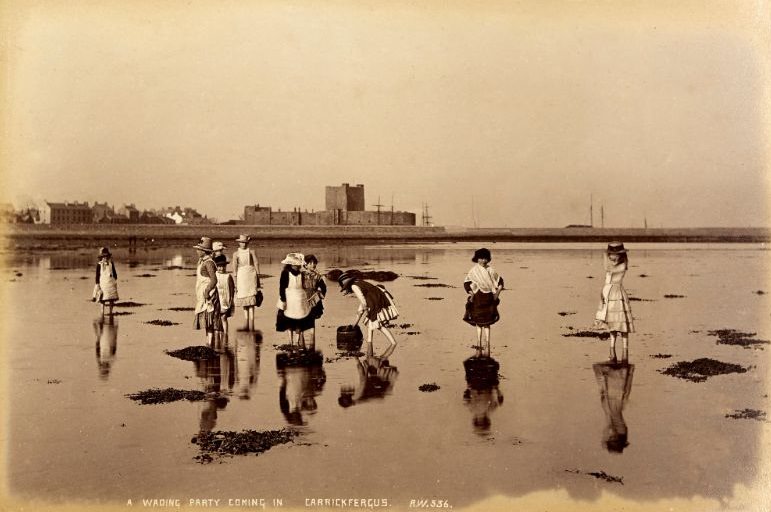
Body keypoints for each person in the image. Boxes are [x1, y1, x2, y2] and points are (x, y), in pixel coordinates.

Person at [338, 270, 399, 359]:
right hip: (376, 296)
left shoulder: (354, 286)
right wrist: (358, 316)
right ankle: (370, 345)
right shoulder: (358, 282)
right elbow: (363, 302)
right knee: (371, 324)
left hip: (375, 300)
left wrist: (356, 323)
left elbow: (363, 303)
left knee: (377, 324)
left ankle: (393, 343)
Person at [594, 242, 635, 362]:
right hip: (608, 292)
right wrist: (602, 295)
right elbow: (607, 274)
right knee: (612, 322)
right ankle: (612, 348)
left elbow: (611, 266)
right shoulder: (612, 266)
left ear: (620, 256)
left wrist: (610, 256)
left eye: (615, 255)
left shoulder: (621, 266)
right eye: (611, 255)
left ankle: (625, 348)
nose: (613, 258)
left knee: (622, 322)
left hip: (616, 292)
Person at [463, 248, 504, 355]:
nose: (483, 260)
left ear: (488, 259)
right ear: (477, 259)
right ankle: (478, 341)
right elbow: (466, 283)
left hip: (489, 298)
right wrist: (471, 293)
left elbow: (500, 281)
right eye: (481, 258)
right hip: (478, 298)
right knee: (478, 321)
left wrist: (497, 292)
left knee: (487, 321)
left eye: (485, 258)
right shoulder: (473, 271)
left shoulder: (491, 270)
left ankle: (488, 342)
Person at [276, 253, 314, 347]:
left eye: (298, 265)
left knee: (299, 321)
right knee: (289, 321)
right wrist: (283, 300)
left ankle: (296, 341)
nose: (297, 266)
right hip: (289, 300)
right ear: (291, 264)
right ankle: (290, 341)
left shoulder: (301, 274)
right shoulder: (285, 273)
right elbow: (282, 287)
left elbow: (304, 287)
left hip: (299, 300)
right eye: (296, 264)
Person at [193, 237, 221, 347]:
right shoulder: (202, 261)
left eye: (198, 249)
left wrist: (207, 291)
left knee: (210, 321)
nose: (196, 251)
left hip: (209, 296)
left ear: (204, 251)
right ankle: (209, 343)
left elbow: (214, 279)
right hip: (203, 296)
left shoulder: (209, 263)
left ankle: (210, 344)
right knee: (207, 321)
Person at [232, 234, 262, 331]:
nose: (243, 244)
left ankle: (252, 321)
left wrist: (258, 276)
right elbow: (234, 268)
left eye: (244, 242)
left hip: (250, 275)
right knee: (244, 299)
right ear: (239, 243)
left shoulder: (251, 251)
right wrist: (236, 282)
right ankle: (246, 321)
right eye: (241, 242)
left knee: (251, 298)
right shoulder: (235, 254)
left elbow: (256, 263)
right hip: (241, 276)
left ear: (247, 243)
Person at [302, 254, 327, 351]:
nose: (313, 265)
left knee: (312, 321)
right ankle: (302, 344)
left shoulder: (318, 276)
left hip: (314, 301)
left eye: (314, 263)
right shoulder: (301, 275)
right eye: (310, 263)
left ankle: (312, 344)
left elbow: (324, 287)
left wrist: (320, 293)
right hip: (303, 300)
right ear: (306, 264)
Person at [214, 254, 235, 345]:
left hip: (225, 299)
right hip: (216, 298)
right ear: (216, 267)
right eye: (219, 266)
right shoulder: (215, 275)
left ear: (225, 266)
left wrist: (231, 300)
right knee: (216, 317)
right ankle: (217, 334)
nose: (221, 268)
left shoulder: (228, 276)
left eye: (223, 266)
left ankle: (225, 334)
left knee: (223, 317)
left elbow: (231, 289)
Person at [92, 246, 119, 317]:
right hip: (103, 283)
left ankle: (110, 312)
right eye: (103, 257)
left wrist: (115, 278)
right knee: (102, 298)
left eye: (106, 257)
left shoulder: (111, 264)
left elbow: (114, 272)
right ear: (101, 257)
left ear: (108, 257)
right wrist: (97, 283)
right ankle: (102, 312)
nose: (105, 258)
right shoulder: (99, 265)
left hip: (110, 282)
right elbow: (97, 275)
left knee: (111, 298)